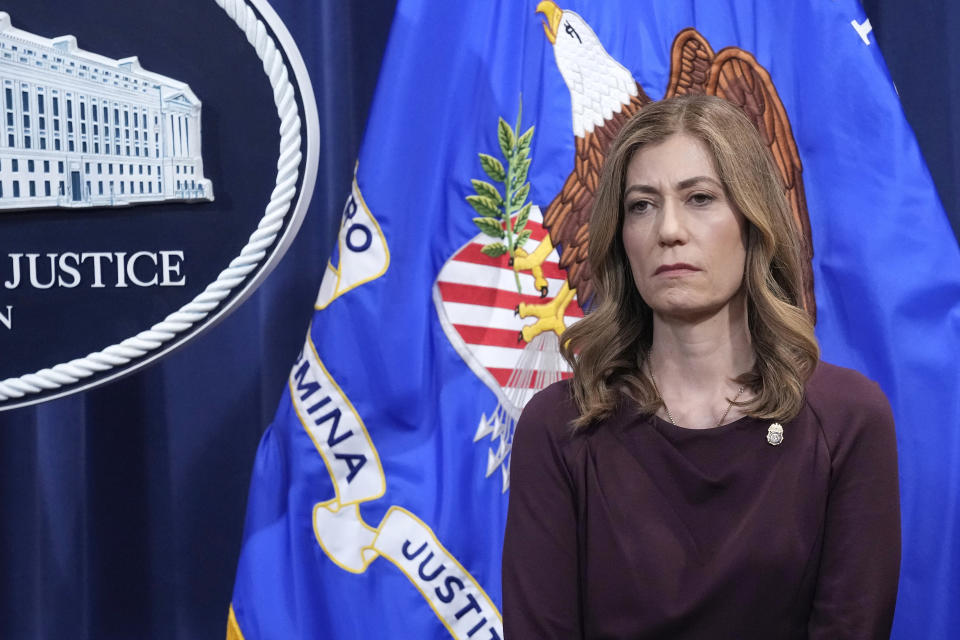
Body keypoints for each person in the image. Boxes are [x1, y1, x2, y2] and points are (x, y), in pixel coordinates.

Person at [501, 95, 901, 639]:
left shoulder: (849, 420)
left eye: (700, 198)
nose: (669, 230)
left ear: (753, 220)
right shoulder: (560, 428)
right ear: (621, 238)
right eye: (642, 205)